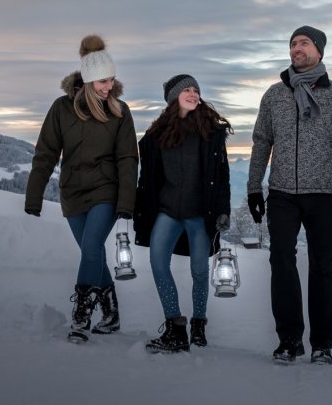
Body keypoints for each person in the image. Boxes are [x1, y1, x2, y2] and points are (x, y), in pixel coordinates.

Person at [247, 26, 332, 364]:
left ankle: (322, 344)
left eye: (304, 43)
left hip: (323, 194)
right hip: (282, 193)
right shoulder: (273, 94)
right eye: (293, 43)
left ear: (319, 51)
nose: (297, 48)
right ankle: (289, 340)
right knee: (281, 261)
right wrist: (254, 186)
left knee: (322, 267)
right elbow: (261, 142)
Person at [25, 34, 139, 343]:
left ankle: (81, 315)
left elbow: (128, 158)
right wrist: (33, 196)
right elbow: (46, 153)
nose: (109, 87)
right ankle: (112, 314)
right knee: (93, 254)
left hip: (106, 190)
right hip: (73, 193)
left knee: (91, 248)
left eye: (112, 80)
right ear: (88, 80)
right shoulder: (62, 109)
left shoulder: (120, 111)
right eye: (103, 81)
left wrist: (126, 202)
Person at [133, 74, 232, 353]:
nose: (193, 93)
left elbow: (222, 177)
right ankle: (175, 326)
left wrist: (222, 211)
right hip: (167, 211)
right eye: (186, 89)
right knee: (157, 262)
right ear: (173, 97)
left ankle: (198, 324)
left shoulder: (210, 133)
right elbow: (147, 179)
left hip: (199, 214)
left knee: (199, 270)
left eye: (195, 90)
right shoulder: (156, 136)